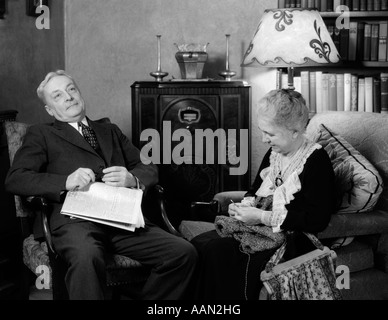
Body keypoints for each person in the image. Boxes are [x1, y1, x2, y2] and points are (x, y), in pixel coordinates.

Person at [5, 70, 198, 300]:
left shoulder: (110, 130)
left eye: (71, 89)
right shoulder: (42, 134)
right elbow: (16, 178)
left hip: (123, 221)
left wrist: (132, 178)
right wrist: (65, 181)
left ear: (79, 93)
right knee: (87, 256)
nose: (68, 96)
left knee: (183, 253)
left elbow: (148, 167)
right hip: (75, 223)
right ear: (50, 109)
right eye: (57, 96)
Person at [190, 89, 336, 300]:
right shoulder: (274, 153)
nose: (263, 139)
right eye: (262, 131)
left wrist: (260, 217)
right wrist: (243, 206)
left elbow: (317, 220)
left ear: (295, 131)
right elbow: (255, 189)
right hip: (259, 227)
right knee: (201, 245)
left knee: (218, 252)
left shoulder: (316, 161)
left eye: (270, 133)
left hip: (291, 236)